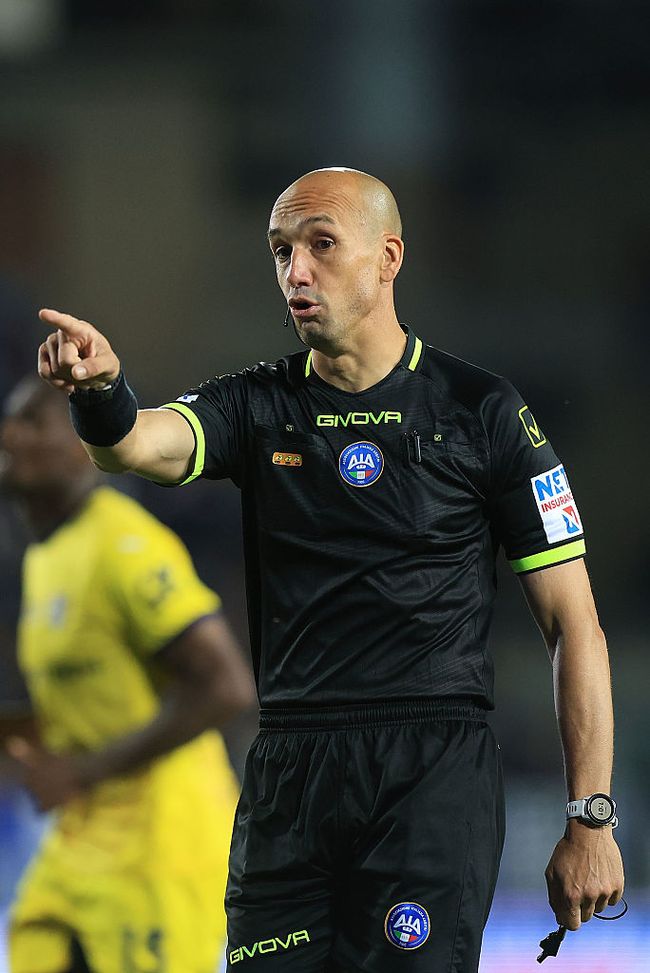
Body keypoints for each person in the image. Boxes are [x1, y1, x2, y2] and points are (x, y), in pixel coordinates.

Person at [35, 167, 624, 973]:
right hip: (289, 774)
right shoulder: (256, 405)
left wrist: (590, 818)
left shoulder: (482, 412)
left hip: (428, 774)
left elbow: (573, 624)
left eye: (320, 245)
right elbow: (138, 444)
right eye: (281, 251)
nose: (295, 272)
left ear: (388, 258)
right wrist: (102, 390)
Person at [0, 377, 256, 973]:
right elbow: (94, 699)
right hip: (85, 840)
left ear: (81, 446)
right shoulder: (46, 556)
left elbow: (225, 686)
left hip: (160, 845)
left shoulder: (124, 544)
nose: (9, 434)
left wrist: (81, 770)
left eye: (30, 422)